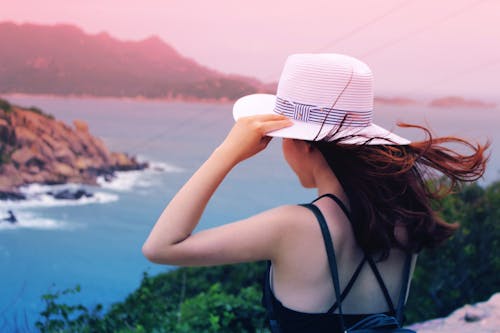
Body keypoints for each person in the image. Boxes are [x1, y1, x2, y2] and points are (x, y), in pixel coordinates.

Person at [142, 54, 488, 332]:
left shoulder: (292, 226)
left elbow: (161, 247)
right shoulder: (406, 218)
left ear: (302, 145)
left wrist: (227, 152)